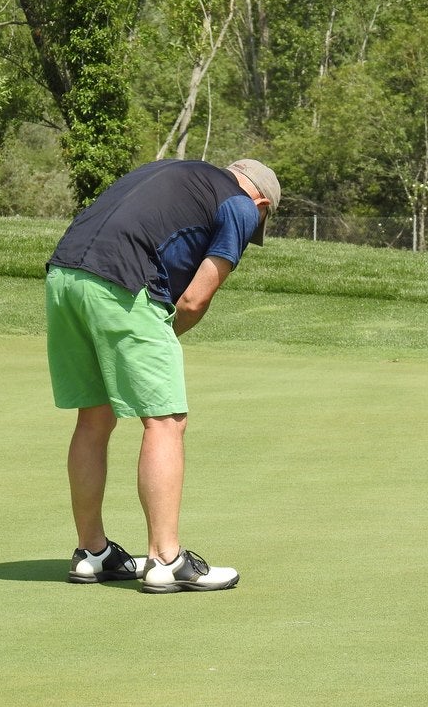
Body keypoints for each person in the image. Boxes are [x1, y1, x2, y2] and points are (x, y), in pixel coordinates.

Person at [44, 158, 280, 593]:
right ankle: (167, 560)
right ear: (261, 202)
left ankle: (91, 554)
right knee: (166, 421)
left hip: (63, 276)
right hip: (123, 285)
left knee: (94, 418)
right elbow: (193, 301)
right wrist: (159, 336)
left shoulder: (171, 171)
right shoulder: (241, 206)